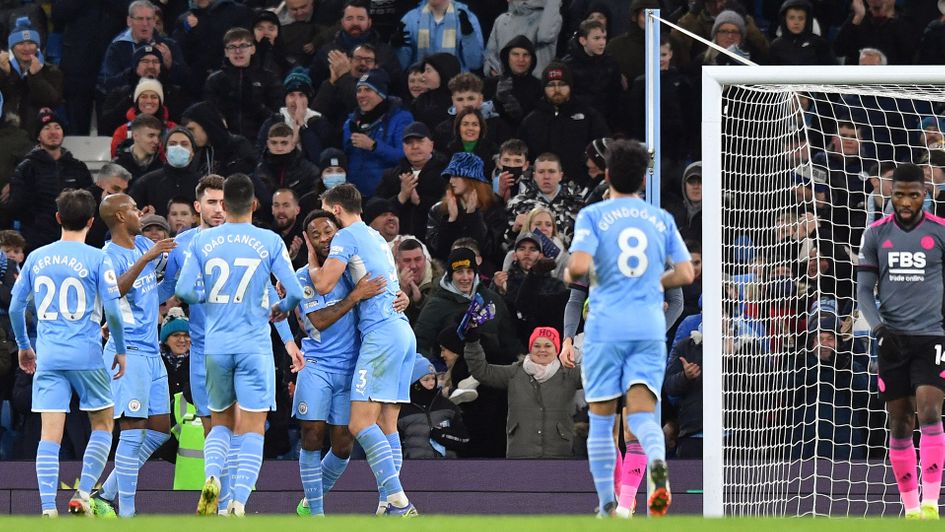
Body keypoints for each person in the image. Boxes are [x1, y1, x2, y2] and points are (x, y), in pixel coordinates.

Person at [566, 139, 693, 517]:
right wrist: (655, 282)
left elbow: (577, 268)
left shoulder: (593, 217)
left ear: (606, 176)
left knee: (603, 421)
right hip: (648, 328)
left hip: (606, 327)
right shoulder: (661, 220)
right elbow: (686, 273)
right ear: (642, 180)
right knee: (640, 418)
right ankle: (654, 472)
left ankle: (612, 507)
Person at [176, 173, 304, 517]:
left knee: (220, 423)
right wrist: (280, 310)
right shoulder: (270, 240)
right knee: (251, 427)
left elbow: (185, 291)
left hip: (215, 347)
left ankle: (213, 477)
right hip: (254, 347)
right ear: (254, 204)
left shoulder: (202, 243)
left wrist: (208, 298)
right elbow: (293, 292)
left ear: (225, 204)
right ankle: (237, 502)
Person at [9, 189, 127, 516]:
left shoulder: (36, 257)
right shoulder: (98, 258)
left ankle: (48, 508)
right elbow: (114, 313)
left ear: (58, 218)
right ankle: (84, 493)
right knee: (103, 424)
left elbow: (17, 307)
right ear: (91, 221)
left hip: (48, 356)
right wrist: (118, 348)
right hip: (87, 354)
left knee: (49, 434)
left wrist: (24, 347)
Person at [309, 183, 418, 516]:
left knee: (358, 424)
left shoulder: (347, 236)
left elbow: (324, 284)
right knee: (387, 425)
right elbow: (389, 285)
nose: (327, 227)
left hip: (381, 334)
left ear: (337, 210)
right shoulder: (376, 237)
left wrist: (313, 261)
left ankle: (400, 500)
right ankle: (387, 504)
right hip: (402, 332)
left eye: (327, 213)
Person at [856, 163, 945, 519]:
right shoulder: (876, 234)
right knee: (899, 422)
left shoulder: (940, 232)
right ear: (889, 195)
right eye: (898, 194)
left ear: (925, 194)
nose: (905, 202)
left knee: (929, 410)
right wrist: (878, 329)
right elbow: (864, 291)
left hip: (932, 336)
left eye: (912, 194)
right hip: (891, 338)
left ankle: (931, 503)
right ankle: (910, 510)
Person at [89, 194, 177, 518]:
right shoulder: (107, 257)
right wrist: (146, 258)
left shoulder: (141, 244)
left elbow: (156, 287)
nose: (140, 212)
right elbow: (115, 292)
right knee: (133, 430)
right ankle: (127, 514)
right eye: (134, 208)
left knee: (159, 430)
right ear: (120, 217)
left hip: (152, 352)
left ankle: (106, 493)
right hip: (127, 353)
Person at [462, 325, 581, 458]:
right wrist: (472, 342)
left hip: (560, 454)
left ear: (557, 349)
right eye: (537, 346)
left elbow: (601, 373)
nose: (542, 350)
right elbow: (482, 371)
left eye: (548, 346)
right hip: (520, 453)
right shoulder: (515, 372)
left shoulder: (570, 374)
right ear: (530, 348)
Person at [10, 109, 93, 255]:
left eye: (57, 127)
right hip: (36, 243)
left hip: (74, 242)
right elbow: (17, 206)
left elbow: (89, 202)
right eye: (47, 128)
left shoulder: (77, 167)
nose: (53, 132)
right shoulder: (26, 168)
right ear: (38, 136)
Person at [518, 62, 609, 183]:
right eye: (551, 85)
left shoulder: (589, 116)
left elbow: (605, 150)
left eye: (562, 84)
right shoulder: (531, 121)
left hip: (583, 186)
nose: (557, 90)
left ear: (570, 86)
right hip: (543, 188)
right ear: (543, 88)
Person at [425, 152, 507, 270]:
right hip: (447, 272)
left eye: (456, 176)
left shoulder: (494, 209)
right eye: (450, 177)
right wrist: (451, 220)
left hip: (483, 273)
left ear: (471, 178)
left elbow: (489, 250)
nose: (451, 181)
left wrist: (473, 217)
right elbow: (437, 251)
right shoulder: (439, 210)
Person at [342, 68, 413, 198]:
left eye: (368, 90)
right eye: (359, 90)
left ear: (381, 94)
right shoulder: (351, 122)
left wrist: (374, 146)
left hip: (386, 195)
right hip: (355, 196)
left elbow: (406, 156)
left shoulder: (401, 119)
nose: (361, 95)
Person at [374, 121, 449, 241]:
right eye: (409, 143)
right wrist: (401, 197)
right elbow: (375, 209)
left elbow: (450, 207)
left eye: (420, 141)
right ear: (403, 147)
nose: (415, 147)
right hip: (398, 243)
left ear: (431, 145)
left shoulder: (446, 174)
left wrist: (419, 201)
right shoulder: (392, 176)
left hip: (436, 241)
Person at [204, 27, 283, 141]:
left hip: (261, 142)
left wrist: (257, 107)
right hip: (226, 143)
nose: (238, 51)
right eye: (232, 47)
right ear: (226, 52)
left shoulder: (269, 78)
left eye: (243, 46)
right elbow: (209, 114)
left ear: (253, 49)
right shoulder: (214, 80)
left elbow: (277, 116)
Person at [99, 1, 188, 94]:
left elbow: (184, 82)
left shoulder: (169, 45)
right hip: (128, 101)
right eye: (140, 19)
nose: (145, 23)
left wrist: (170, 65)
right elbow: (107, 84)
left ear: (154, 21)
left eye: (149, 19)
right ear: (129, 21)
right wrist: (134, 71)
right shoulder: (118, 47)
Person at [310, 0, 402, 89]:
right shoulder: (328, 52)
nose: (355, 23)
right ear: (342, 22)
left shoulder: (385, 53)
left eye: (360, 18)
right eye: (349, 18)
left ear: (369, 22)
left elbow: (396, 87)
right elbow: (315, 85)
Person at [0, 17, 64, 138]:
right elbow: (6, 98)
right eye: (20, 44)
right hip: (6, 134)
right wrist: (7, 74)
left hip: (38, 135)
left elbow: (52, 101)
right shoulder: (3, 69)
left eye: (31, 43)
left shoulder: (50, 71)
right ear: (12, 48)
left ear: (37, 46)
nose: (27, 48)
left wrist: (36, 76)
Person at [256, 68, 334, 165]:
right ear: (285, 98)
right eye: (291, 95)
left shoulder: (319, 122)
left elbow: (319, 159)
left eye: (301, 95)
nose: (296, 100)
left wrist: (303, 126)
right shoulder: (273, 122)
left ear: (308, 98)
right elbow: (261, 157)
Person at [504, 152, 583, 248]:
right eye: (541, 172)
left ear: (560, 176)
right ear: (534, 176)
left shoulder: (577, 202)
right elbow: (506, 245)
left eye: (551, 171)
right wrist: (514, 229)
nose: (546, 177)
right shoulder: (518, 203)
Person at [397, 356, 469, 458]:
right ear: (414, 384)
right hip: (414, 469)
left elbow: (465, 439)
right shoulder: (401, 411)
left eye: (433, 378)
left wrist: (444, 435)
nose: (431, 383)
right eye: (426, 380)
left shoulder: (448, 406)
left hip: (448, 468)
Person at [253, 122, 319, 223]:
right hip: (266, 223)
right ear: (268, 144)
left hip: (300, 223)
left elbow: (313, 199)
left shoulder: (308, 171)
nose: (279, 148)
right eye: (274, 143)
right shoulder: (258, 172)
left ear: (293, 143)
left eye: (284, 143)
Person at [562, 20, 622, 130]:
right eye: (597, 38)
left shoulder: (611, 63)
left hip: (606, 122)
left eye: (604, 38)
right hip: (577, 122)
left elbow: (616, 96)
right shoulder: (567, 66)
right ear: (583, 40)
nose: (602, 43)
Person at [129, 126, 202, 218]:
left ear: (192, 152)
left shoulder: (202, 185)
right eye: (172, 144)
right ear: (166, 152)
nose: (178, 148)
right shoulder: (145, 183)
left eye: (184, 144)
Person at [395, 0, 485, 73]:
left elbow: (475, 64)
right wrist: (398, 48)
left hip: (456, 85)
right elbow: (400, 67)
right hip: (421, 84)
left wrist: (469, 37)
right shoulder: (410, 19)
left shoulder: (467, 17)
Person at [484, 0, 561, 79]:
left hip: (537, 86)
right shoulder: (501, 20)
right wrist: (491, 69)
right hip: (506, 86)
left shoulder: (547, 16)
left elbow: (545, 36)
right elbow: (490, 54)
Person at [180, 101, 258, 177]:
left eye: (191, 129)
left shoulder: (238, 147)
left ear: (206, 124)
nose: (189, 135)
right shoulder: (199, 154)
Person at [484, 36, 542, 130]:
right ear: (507, 57)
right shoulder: (490, 84)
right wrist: (498, 100)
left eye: (526, 55)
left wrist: (522, 114)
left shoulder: (539, 87)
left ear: (532, 59)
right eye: (515, 54)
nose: (521, 59)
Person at [109, 77, 176, 157]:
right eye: (143, 97)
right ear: (137, 102)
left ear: (160, 102)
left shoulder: (172, 129)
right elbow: (116, 159)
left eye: (154, 97)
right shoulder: (123, 131)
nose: (149, 101)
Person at [393, 236, 443, 325]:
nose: (413, 266)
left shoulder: (440, 282)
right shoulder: (389, 283)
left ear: (424, 259)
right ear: (398, 262)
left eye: (417, 259)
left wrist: (420, 300)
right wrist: (403, 292)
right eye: (407, 260)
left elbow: (437, 319)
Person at [769, 0, 836, 65]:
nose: (796, 23)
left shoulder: (820, 44)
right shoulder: (776, 46)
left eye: (801, 18)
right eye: (791, 18)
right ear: (784, 19)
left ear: (807, 20)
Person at [113, 114, 165, 182]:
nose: (157, 141)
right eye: (151, 136)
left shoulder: (162, 167)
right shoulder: (117, 166)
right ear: (135, 136)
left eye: (158, 136)